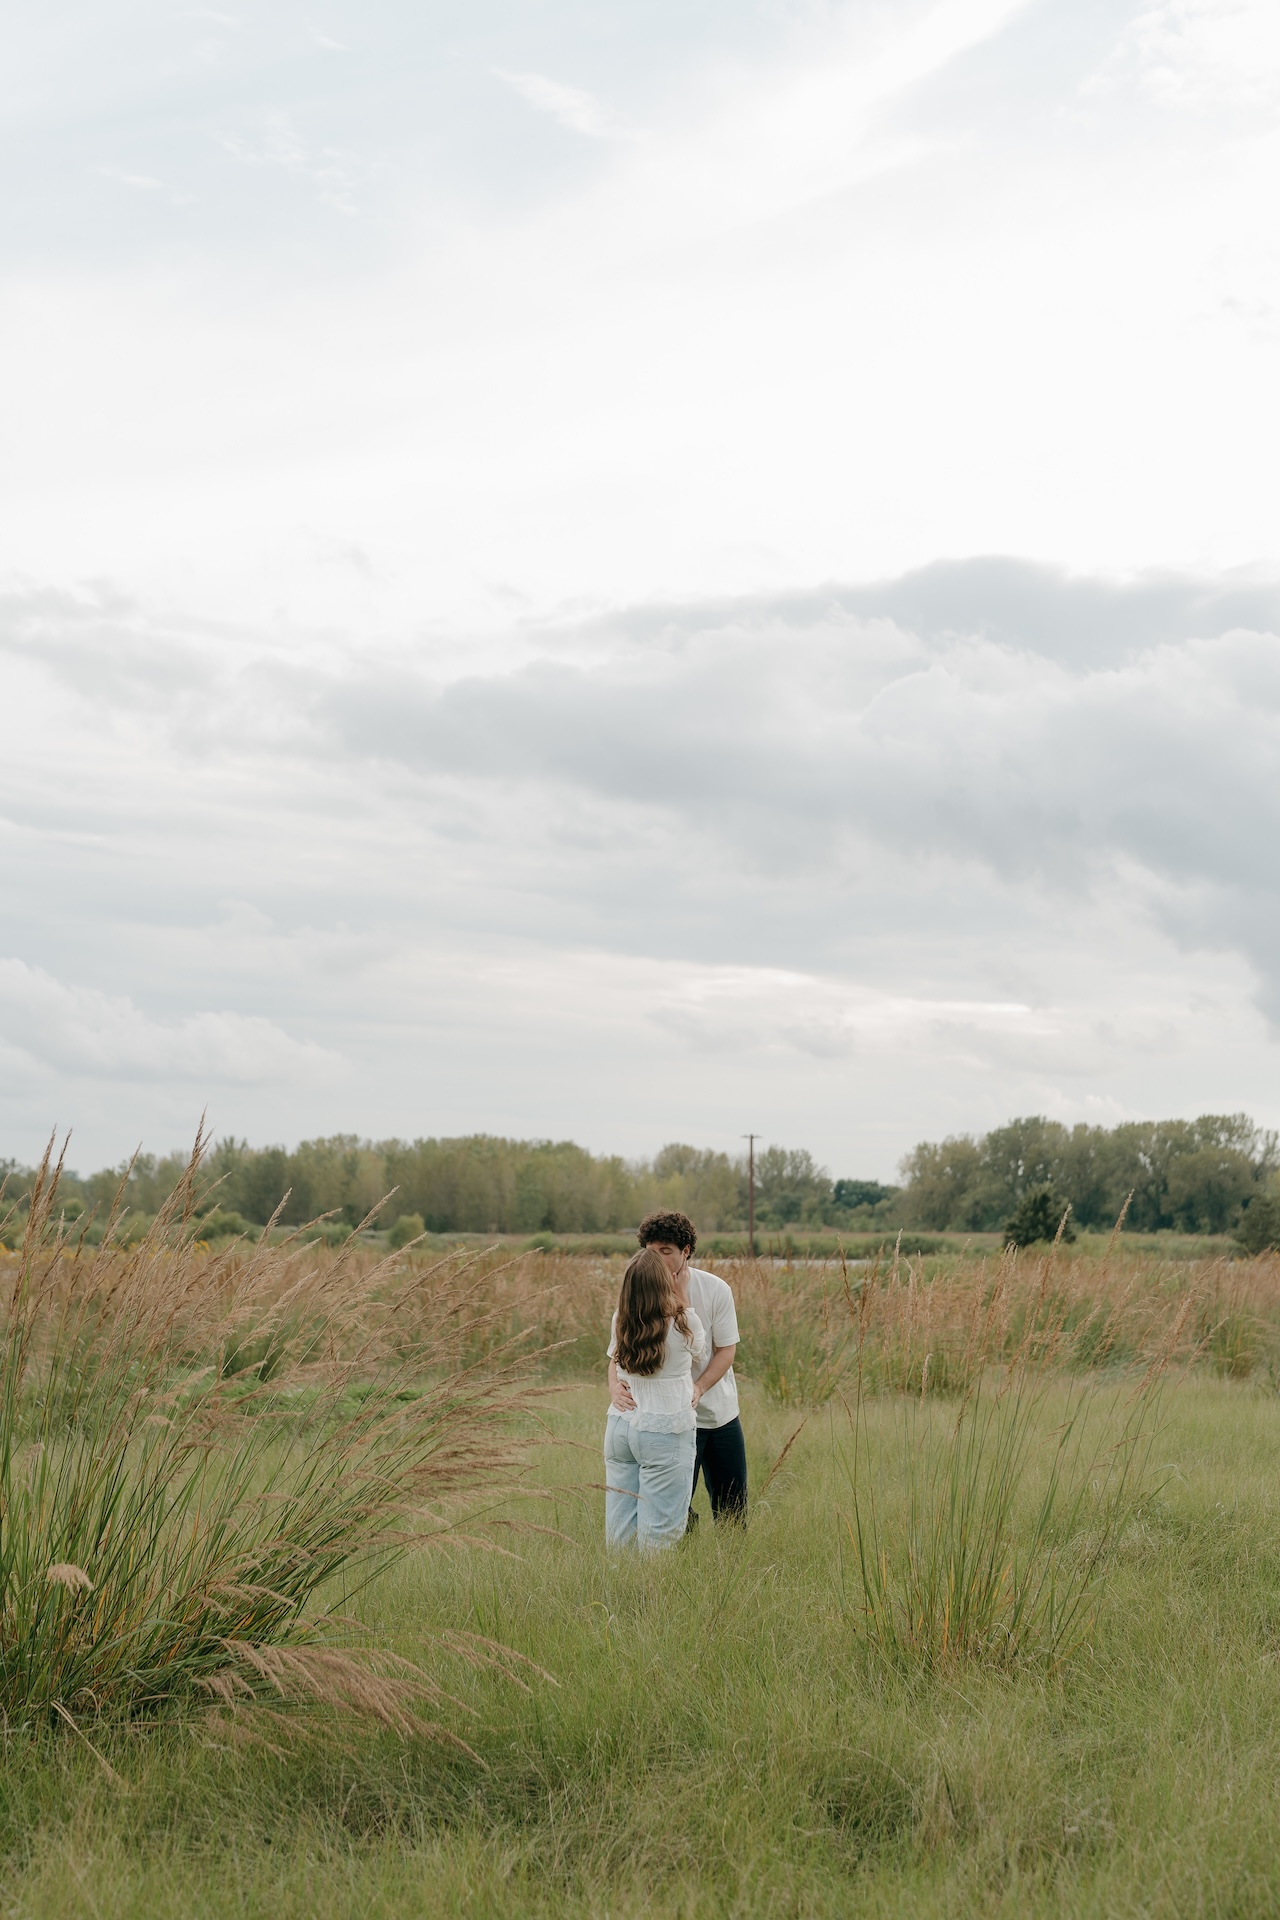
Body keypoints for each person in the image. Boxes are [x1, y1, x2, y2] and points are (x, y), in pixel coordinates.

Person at [610, 1209, 747, 1526]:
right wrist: (614, 1387)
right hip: (664, 1419)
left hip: (718, 1414)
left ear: (686, 1251)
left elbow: (726, 1350)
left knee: (732, 1510)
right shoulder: (637, 1293)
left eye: (666, 1252)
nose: (656, 1260)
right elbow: (617, 1355)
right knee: (672, 1509)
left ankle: (731, 1563)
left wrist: (699, 1388)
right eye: (651, 1252)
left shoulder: (715, 1289)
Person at [604, 1246, 707, 1551]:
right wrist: (684, 1297)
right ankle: (649, 1596)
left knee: (620, 1526)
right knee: (660, 1531)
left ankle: (619, 1591)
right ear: (664, 1284)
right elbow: (700, 1348)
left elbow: (614, 1359)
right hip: (665, 1427)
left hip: (621, 1425)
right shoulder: (682, 1323)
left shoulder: (621, 1319)